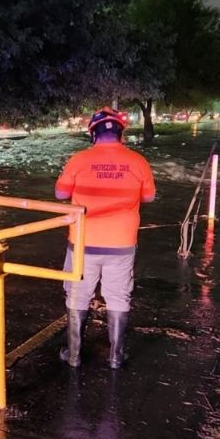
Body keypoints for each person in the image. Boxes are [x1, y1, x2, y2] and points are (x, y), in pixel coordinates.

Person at [55, 107, 156, 368]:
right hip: (122, 243)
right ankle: (115, 357)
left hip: (83, 242)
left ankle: (74, 356)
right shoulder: (139, 161)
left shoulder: (78, 160)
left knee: (77, 295)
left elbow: (60, 195)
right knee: (118, 296)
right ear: (121, 134)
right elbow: (149, 197)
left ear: (93, 134)